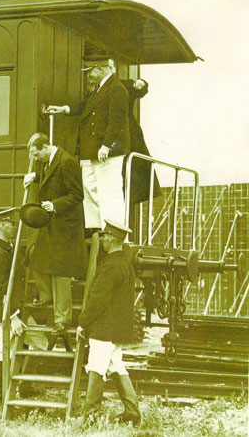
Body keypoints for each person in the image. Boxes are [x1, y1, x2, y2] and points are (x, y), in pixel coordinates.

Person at [45, 59, 130, 230]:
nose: (88, 76)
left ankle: (114, 232)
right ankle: (97, 229)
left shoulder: (117, 89)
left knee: (109, 192)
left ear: (100, 69)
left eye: (90, 71)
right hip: (92, 151)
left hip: (106, 152)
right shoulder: (101, 89)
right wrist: (64, 109)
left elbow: (117, 120)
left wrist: (106, 145)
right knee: (91, 191)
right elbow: (87, 107)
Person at [77, 219, 141, 425]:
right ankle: (132, 412)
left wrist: (83, 323)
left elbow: (97, 300)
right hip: (117, 331)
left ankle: (90, 417)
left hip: (104, 329)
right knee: (116, 366)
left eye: (105, 236)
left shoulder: (110, 265)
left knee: (96, 366)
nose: (102, 239)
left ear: (112, 238)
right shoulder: (125, 264)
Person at [22, 133, 87, 335]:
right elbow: (50, 178)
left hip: (66, 226)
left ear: (45, 147)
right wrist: (35, 177)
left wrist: (55, 205)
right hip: (53, 223)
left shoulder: (67, 162)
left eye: (37, 155)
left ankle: (62, 319)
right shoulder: (49, 161)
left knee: (61, 272)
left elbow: (77, 195)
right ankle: (46, 295)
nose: (36, 160)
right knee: (33, 256)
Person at [0, 207, 48, 411]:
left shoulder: (6, 249)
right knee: (2, 354)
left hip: (18, 312)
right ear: (1, 225)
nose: (13, 226)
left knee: (41, 343)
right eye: (10, 223)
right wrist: (11, 317)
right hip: (9, 314)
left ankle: (24, 385)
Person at [122, 78, 161, 206]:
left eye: (111, 67)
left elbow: (140, 91)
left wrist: (140, 84)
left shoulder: (124, 85)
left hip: (129, 132)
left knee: (135, 169)